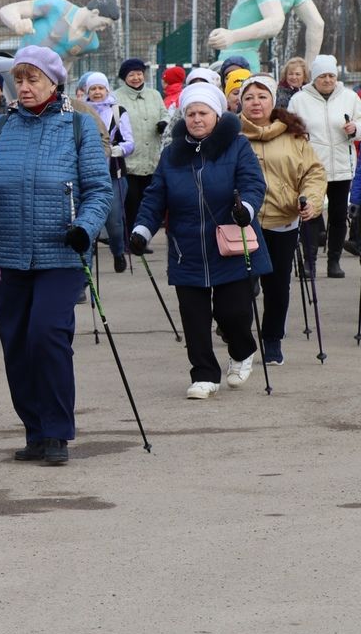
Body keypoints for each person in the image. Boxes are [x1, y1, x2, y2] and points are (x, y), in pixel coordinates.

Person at [0, 45, 112, 466]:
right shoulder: (1, 127)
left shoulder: (78, 127)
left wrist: (86, 228)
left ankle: (57, 431)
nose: (24, 87)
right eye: (18, 79)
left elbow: (98, 190)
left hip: (61, 250)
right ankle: (35, 430)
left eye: (32, 78)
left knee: (46, 335)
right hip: (9, 252)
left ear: (54, 82)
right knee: (17, 343)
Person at [129, 82, 271, 399]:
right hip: (187, 250)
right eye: (190, 113)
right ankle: (204, 374)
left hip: (231, 246)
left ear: (216, 116)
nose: (196, 119)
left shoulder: (237, 146)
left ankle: (242, 348)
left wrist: (245, 208)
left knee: (232, 313)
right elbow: (155, 198)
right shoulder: (171, 155)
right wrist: (141, 230)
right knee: (194, 319)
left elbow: (253, 184)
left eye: (202, 113)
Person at [237, 74, 326, 364]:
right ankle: (238, 340)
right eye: (249, 97)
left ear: (273, 101)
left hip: (282, 220)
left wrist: (310, 201)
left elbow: (313, 172)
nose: (255, 102)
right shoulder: (229, 134)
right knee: (240, 286)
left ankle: (272, 338)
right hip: (241, 223)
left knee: (277, 285)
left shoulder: (293, 134)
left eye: (262, 96)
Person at [288, 54, 361, 278]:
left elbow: (360, 121)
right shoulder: (300, 100)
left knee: (339, 216)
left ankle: (334, 262)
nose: (327, 80)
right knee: (310, 214)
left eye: (331, 75)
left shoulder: (349, 97)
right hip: (312, 168)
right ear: (315, 78)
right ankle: (309, 262)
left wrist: (355, 129)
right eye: (322, 76)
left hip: (341, 165)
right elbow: (290, 128)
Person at [82, 72, 134, 272]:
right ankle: (85, 264)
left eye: (100, 88)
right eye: (93, 89)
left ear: (107, 90)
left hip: (113, 172)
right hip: (87, 170)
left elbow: (130, 142)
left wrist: (117, 149)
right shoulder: (81, 110)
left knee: (114, 219)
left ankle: (118, 250)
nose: (97, 92)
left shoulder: (118, 111)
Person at [117, 58, 169, 244]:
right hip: (129, 161)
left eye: (139, 73)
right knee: (130, 202)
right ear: (124, 78)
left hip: (151, 159)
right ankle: (127, 240)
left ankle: (141, 239)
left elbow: (165, 113)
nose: (136, 77)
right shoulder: (117, 97)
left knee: (147, 203)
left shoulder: (154, 94)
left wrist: (163, 123)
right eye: (131, 74)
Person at [0, 0, 120, 63]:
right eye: (103, 24)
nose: (103, 29)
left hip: (47, 88)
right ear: (95, 13)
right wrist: (17, 23)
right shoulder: (56, 6)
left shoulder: (91, 43)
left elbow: (67, 63)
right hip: (21, 70)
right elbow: (8, 9)